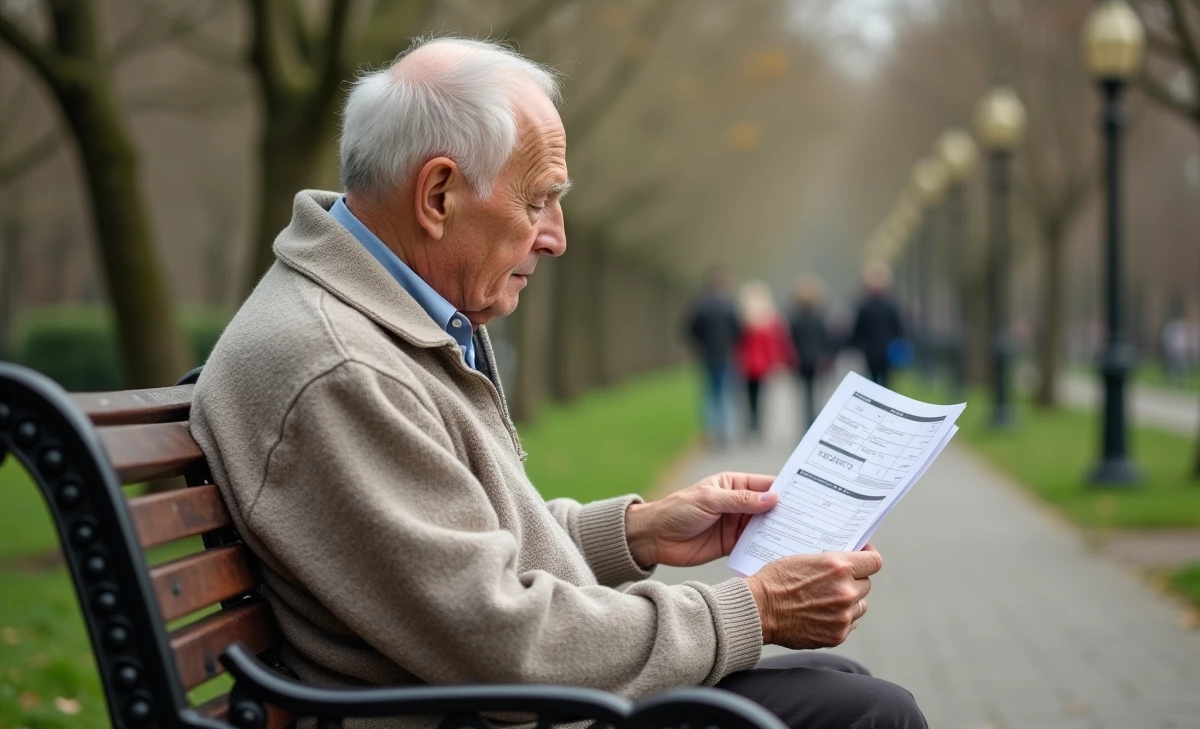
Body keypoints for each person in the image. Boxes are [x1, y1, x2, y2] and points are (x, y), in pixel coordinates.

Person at [190, 37, 925, 729]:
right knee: (865, 715)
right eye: (538, 199)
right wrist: (752, 610)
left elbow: (458, 558)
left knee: (848, 694)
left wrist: (640, 529)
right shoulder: (340, 366)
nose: (557, 235)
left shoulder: (382, 323)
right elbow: (507, 644)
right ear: (438, 195)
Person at [685, 269, 742, 446]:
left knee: (709, 395)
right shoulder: (730, 306)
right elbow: (738, 331)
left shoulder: (701, 306)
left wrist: (701, 344)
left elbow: (690, 329)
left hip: (707, 354)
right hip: (725, 354)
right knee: (725, 394)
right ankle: (725, 434)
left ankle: (710, 433)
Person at [736, 281, 796, 439]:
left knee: (750, 394)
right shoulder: (771, 318)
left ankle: (752, 423)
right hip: (762, 362)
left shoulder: (743, 317)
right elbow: (777, 341)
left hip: (747, 362)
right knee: (760, 394)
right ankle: (757, 423)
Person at [849, 262, 905, 388]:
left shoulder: (864, 306)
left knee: (872, 382)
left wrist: (856, 346)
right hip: (886, 349)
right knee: (886, 382)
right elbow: (899, 329)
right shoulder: (891, 305)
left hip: (870, 351)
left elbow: (858, 331)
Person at [787, 275, 832, 430]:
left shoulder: (795, 318)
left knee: (805, 394)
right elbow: (826, 339)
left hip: (801, 360)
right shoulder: (820, 317)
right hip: (816, 359)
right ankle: (814, 422)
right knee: (816, 393)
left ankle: (808, 423)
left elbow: (791, 340)